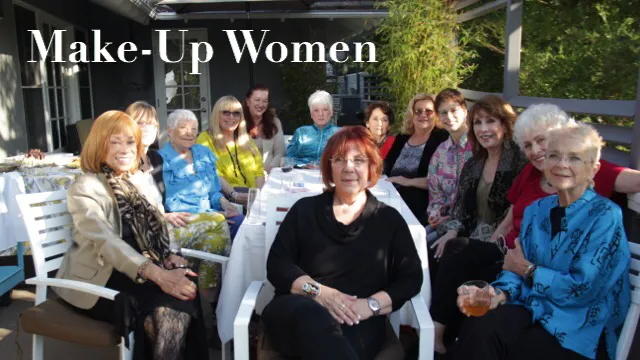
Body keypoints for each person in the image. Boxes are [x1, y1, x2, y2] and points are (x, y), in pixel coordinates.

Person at [430, 104, 640, 354]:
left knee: (519, 346)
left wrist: (529, 270)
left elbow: (584, 289)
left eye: (573, 157)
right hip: (534, 306)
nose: (562, 164)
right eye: (553, 156)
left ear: (593, 168)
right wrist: (496, 294)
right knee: (481, 325)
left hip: (578, 325)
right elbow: (514, 270)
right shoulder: (536, 210)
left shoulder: (605, 216)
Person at [56, 111, 209, 359]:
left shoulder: (140, 180)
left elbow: (162, 222)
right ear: (98, 145)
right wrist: (158, 273)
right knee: (170, 307)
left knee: (183, 290)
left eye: (130, 142)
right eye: (114, 142)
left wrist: (170, 254)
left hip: (142, 269)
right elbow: (106, 242)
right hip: (100, 279)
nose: (125, 149)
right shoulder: (86, 187)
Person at [263, 126, 423, 360]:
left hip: (357, 316)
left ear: (371, 168)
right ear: (330, 167)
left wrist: (371, 305)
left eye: (358, 160)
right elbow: (278, 265)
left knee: (343, 341)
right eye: (339, 159)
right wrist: (318, 293)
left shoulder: (388, 220)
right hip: (298, 309)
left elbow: (410, 278)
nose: (349, 167)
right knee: (314, 317)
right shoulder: (304, 210)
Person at [429, 95, 527, 354]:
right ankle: (443, 333)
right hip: (472, 234)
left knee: (457, 250)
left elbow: (515, 215)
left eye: (491, 121)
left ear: (505, 125)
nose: (483, 129)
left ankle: (437, 335)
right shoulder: (475, 162)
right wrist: (450, 230)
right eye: (478, 123)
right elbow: (461, 206)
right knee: (438, 250)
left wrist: (476, 239)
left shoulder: (520, 162)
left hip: (503, 244)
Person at [159, 109, 244, 243]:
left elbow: (213, 190)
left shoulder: (203, 153)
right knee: (222, 233)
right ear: (170, 131)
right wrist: (210, 216)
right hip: (186, 219)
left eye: (194, 129)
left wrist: (224, 203)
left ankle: (237, 264)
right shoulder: (162, 160)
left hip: (213, 213)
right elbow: (172, 203)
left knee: (241, 222)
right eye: (183, 128)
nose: (190, 133)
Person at [384, 93, 449, 225]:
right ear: (412, 115)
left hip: (420, 204)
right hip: (390, 196)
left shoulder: (442, 139)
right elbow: (386, 166)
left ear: (436, 115)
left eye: (428, 111)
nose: (423, 115)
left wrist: (408, 182)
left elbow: (442, 181)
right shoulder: (402, 138)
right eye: (418, 111)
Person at [425, 89, 473, 243]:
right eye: (443, 113)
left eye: (454, 110)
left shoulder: (478, 147)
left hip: (468, 227)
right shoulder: (440, 152)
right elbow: (435, 192)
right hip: (442, 224)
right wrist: (435, 213)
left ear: (465, 111)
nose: (449, 117)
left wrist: (451, 222)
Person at [197, 96, 265, 190]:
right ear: (217, 115)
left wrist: (258, 195)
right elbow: (213, 174)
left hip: (251, 194)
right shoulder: (205, 139)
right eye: (226, 112)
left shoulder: (246, 139)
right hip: (225, 195)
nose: (231, 117)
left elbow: (259, 171)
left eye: (236, 113)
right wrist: (235, 195)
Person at [285, 90, 340, 167]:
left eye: (325, 109)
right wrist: (303, 165)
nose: (321, 114)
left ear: (331, 112)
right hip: (302, 174)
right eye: (316, 110)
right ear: (311, 114)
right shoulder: (301, 132)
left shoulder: (340, 133)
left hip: (330, 175)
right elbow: (289, 158)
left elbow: (345, 159)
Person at [243, 84, 286, 173]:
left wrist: (269, 170)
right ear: (247, 101)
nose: (261, 104)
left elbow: (280, 152)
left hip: (270, 174)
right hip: (245, 175)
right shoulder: (239, 123)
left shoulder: (275, 123)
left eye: (264, 101)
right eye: (257, 100)